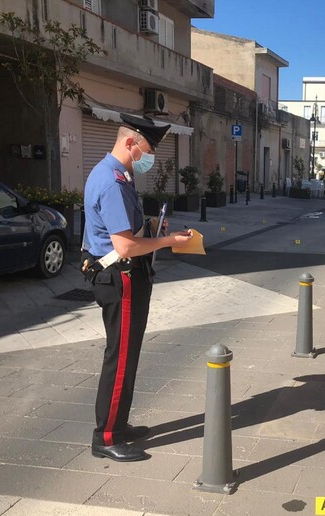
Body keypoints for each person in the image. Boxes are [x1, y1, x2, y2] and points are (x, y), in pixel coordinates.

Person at [82, 113, 193, 462]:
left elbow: (128, 230)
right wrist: (168, 240)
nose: (148, 159)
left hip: (125, 276)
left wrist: (153, 228)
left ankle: (119, 423)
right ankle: (107, 436)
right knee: (120, 358)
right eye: (146, 150)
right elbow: (126, 246)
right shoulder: (113, 181)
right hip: (122, 278)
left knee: (126, 356)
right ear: (130, 143)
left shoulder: (118, 174)